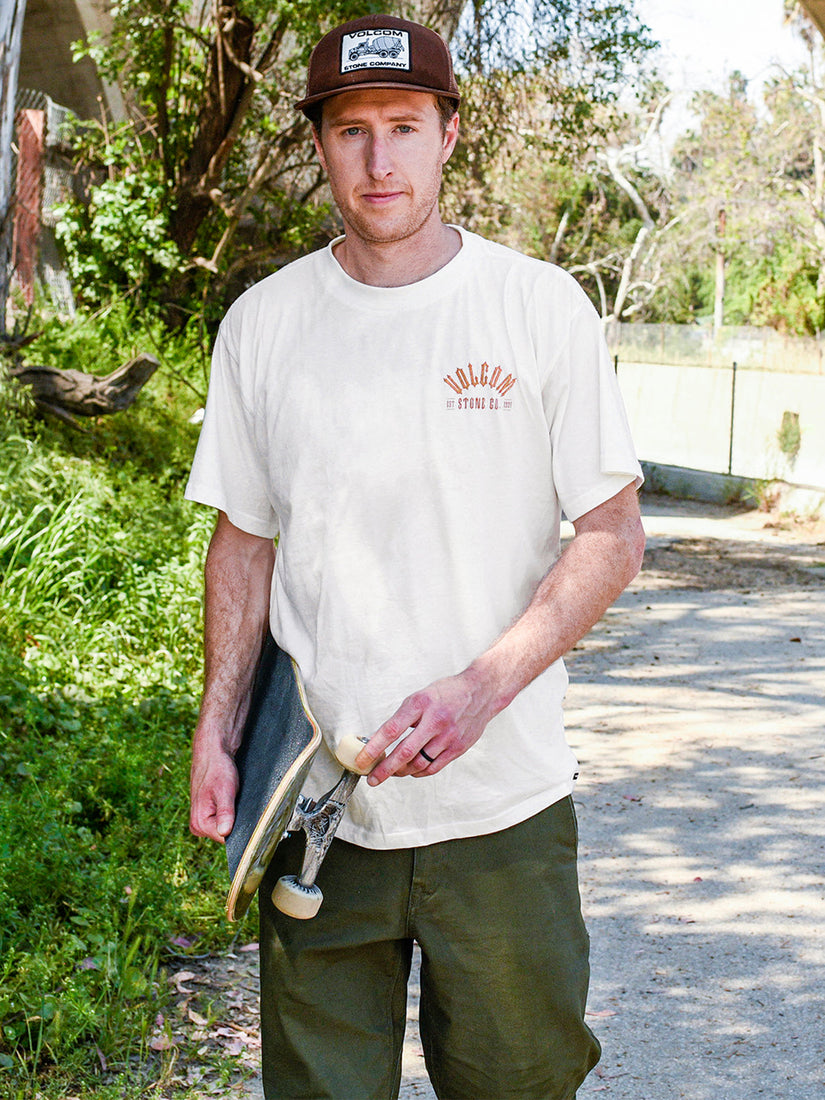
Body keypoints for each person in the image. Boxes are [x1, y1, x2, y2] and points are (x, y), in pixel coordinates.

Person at [186, 12, 645, 1099]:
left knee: (520, 1083)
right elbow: (243, 541)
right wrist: (216, 730)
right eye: (352, 130)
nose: (379, 158)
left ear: (449, 134)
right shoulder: (264, 323)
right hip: (319, 811)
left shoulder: (535, 309)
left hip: (503, 814)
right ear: (319, 146)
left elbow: (613, 535)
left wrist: (481, 688)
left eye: (404, 124)